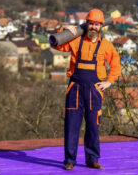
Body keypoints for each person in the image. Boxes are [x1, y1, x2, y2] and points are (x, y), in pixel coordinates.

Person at [52, 9, 121, 170]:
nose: (93, 27)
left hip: (94, 91)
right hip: (74, 89)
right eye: (91, 24)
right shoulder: (75, 40)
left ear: (101, 27)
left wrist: (109, 82)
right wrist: (65, 30)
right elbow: (55, 43)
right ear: (87, 24)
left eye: (97, 25)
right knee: (71, 126)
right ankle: (69, 161)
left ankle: (92, 159)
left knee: (93, 126)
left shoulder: (106, 45)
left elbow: (116, 65)